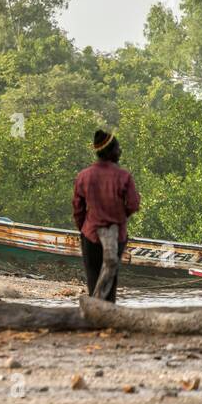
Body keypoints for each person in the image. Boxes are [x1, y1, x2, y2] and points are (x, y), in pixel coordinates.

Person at [72, 129, 140, 303]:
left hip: (90, 234)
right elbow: (133, 204)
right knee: (111, 277)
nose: (120, 151)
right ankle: (108, 315)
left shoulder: (84, 176)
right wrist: (119, 217)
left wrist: (85, 228)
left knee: (93, 277)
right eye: (118, 148)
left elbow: (78, 208)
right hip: (116, 234)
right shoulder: (123, 176)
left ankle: (94, 316)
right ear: (110, 151)